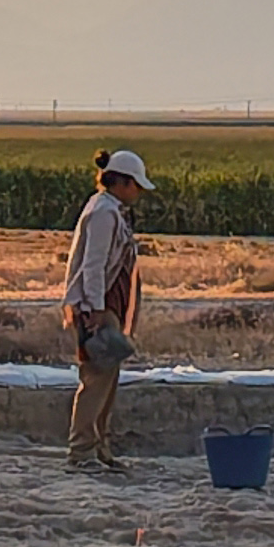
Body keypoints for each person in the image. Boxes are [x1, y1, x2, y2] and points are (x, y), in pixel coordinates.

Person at [61, 150, 154, 470]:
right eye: (136, 186)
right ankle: (82, 451)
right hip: (96, 307)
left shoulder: (110, 210)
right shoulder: (103, 212)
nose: (138, 193)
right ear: (123, 182)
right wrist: (96, 309)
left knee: (108, 379)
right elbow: (93, 265)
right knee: (96, 379)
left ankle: (99, 447)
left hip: (107, 305)